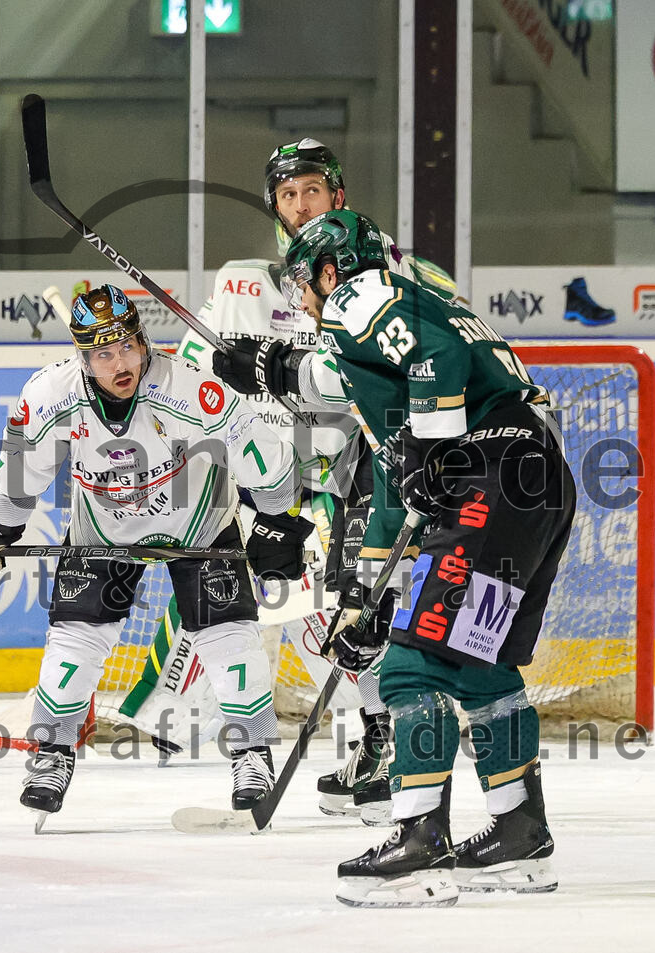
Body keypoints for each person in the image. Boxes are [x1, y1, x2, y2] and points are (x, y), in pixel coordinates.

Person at [213, 209, 576, 907]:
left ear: (329, 272)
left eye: (304, 287)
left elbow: (434, 359)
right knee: (479, 663)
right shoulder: (402, 328)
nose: (305, 305)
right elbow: (386, 478)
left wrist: (429, 447)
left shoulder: (363, 291)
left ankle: (419, 843)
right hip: (534, 481)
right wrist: (364, 605)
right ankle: (519, 832)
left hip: (489, 475)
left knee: (410, 667)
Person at [128, 139, 458, 825]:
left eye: (313, 190)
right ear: (274, 207)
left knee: (364, 609)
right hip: (278, 479)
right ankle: (374, 742)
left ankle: (399, 748)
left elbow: (415, 363)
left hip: (371, 465)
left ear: (338, 195)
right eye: (288, 194)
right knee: (309, 615)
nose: (301, 205)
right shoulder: (246, 285)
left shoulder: (384, 269)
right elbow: (198, 379)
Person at [0, 284, 302, 826]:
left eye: (128, 347)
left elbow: (260, 448)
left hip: (198, 522)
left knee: (228, 636)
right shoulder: (49, 394)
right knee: (74, 641)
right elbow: (21, 476)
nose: (121, 364)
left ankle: (252, 754)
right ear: (83, 359)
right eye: (104, 354)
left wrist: (277, 519)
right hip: (103, 530)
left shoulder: (188, 387)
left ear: (143, 341)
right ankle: (52, 754)